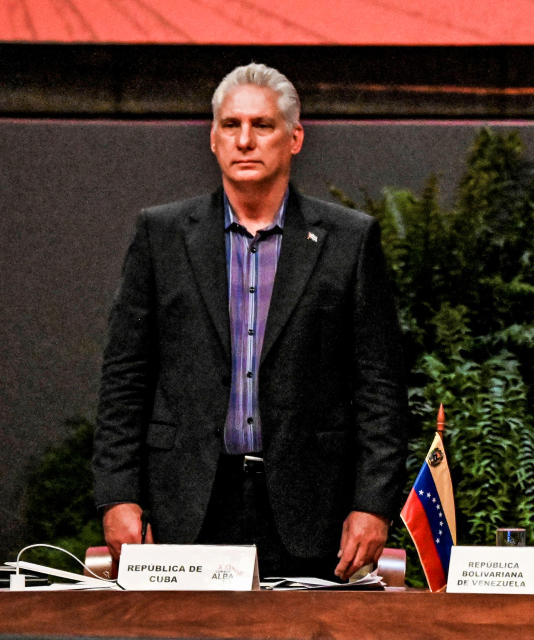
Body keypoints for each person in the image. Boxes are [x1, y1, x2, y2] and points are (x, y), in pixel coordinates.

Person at [92, 63, 408, 580]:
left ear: (295, 137)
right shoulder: (162, 235)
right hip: (183, 506)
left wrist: (373, 503)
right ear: (213, 138)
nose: (245, 141)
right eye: (231, 126)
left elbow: (380, 388)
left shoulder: (349, 240)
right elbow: (125, 376)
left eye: (262, 126)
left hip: (312, 510)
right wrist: (117, 495)